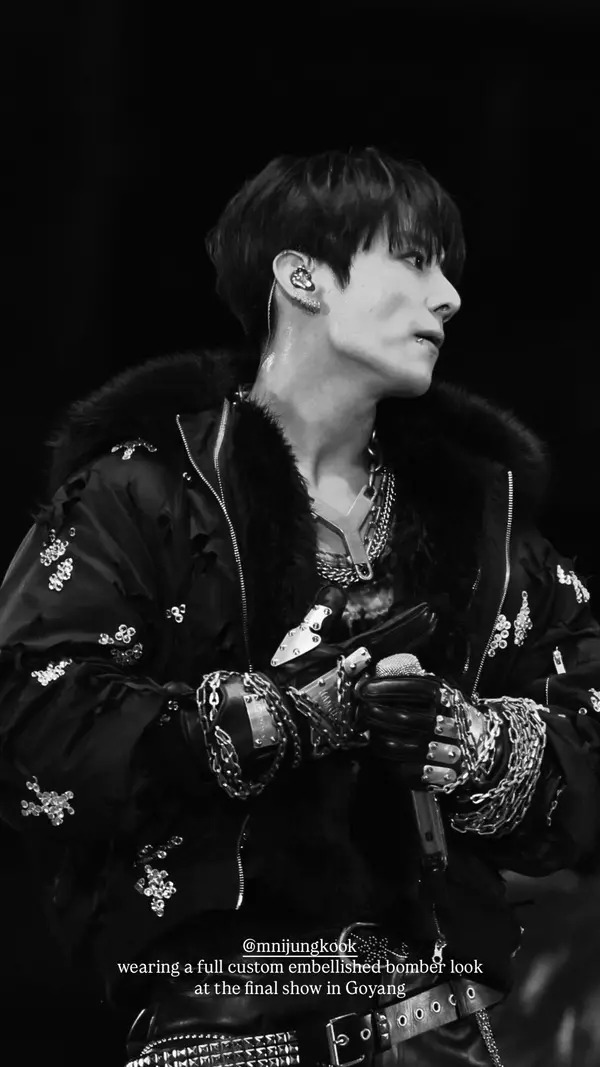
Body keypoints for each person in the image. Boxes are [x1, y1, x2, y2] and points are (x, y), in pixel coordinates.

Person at [1, 147, 599, 1067]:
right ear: (302, 276)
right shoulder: (145, 493)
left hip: (441, 1035)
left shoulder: (486, 527)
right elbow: (32, 710)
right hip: (223, 1032)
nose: (448, 297)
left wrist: (481, 745)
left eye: (448, 270)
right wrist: (264, 718)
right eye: (414, 259)